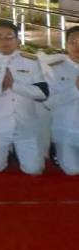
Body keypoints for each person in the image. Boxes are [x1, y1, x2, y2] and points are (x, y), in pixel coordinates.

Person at [0, 19, 50, 175]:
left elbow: (43, 93)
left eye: (9, 36)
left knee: (35, 170)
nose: (5, 41)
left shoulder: (31, 61)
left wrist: (14, 85)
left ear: (17, 40)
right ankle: (6, 153)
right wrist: (2, 87)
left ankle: (18, 153)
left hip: (25, 125)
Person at [49, 26, 79, 175]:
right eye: (73, 41)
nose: (77, 46)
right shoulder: (55, 69)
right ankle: (55, 149)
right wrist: (75, 89)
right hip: (65, 130)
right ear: (66, 44)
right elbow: (49, 103)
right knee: (72, 170)